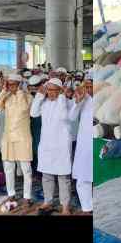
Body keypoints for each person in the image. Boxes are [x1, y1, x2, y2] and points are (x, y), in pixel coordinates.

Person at [31, 78, 74, 214]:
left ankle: (65, 206)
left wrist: (61, 97)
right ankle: (47, 201)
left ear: (60, 90)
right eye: (48, 90)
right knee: (47, 175)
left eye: (52, 90)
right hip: (46, 144)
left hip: (61, 145)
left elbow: (63, 116)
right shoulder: (44, 103)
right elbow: (33, 113)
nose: (49, 93)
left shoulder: (67, 102)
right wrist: (39, 95)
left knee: (63, 177)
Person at [0, 73, 34, 204]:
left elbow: (23, 109)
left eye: (13, 84)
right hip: (8, 138)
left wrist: (20, 92)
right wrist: (4, 91)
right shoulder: (7, 96)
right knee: (8, 168)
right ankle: (11, 194)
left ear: (20, 84)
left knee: (26, 169)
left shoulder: (28, 97)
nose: (11, 87)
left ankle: (27, 196)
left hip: (22, 138)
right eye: (9, 84)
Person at [69, 74, 93, 214]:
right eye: (86, 86)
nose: (88, 89)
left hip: (98, 140)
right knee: (83, 176)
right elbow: (72, 117)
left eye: (91, 86)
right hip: (84, 143)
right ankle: (86, 208)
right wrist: (77, 102)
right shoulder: (82, 98)